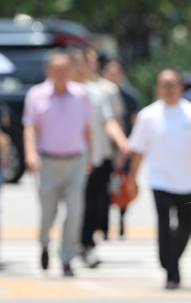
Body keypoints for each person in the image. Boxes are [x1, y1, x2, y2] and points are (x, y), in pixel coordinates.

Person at [127, 68, 191, 289]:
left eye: (172, 84)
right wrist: (132, 178)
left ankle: (170, 259)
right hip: (160, 181)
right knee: (164, 226)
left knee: (186, 227)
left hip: (188, 182)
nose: (168, 89)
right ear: (157, 88)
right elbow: (138, 150)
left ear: (181, 86)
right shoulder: (148, 116)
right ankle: (171, 271)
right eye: (164, 85)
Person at [22, 49, 92, 277]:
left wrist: (90, 155)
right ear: (48, 70)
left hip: (75, 161)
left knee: (74, 212)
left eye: (65, 68)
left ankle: (66, 258)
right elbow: (30, 127)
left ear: (71, 69)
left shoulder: (81, 94)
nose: (61, 73)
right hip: (48, 162)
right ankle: (44, 245)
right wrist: (30, 153)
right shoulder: (36, 94)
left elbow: (87, 127)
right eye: (56, 69)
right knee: (47, 215)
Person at [70, 49, 129, 268]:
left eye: (84, 63)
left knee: (94, 204)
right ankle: (76, 244)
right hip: (73, 158)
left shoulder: (98, 92)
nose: (81, 67)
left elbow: (109, 120)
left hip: (99, 156)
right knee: (76, 205)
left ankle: (85, 244)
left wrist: (122, 142)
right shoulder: (64, 91)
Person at [102, 59, 141, 237]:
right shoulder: (99, 94)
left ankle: (122, 221)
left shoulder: (130, 97)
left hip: (125, 147)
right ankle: (103, 225)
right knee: (104, 188)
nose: (113, 76)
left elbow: (135, 123)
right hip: (104, 147)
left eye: (116, 72)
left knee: (123, 184)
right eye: (110, 72)